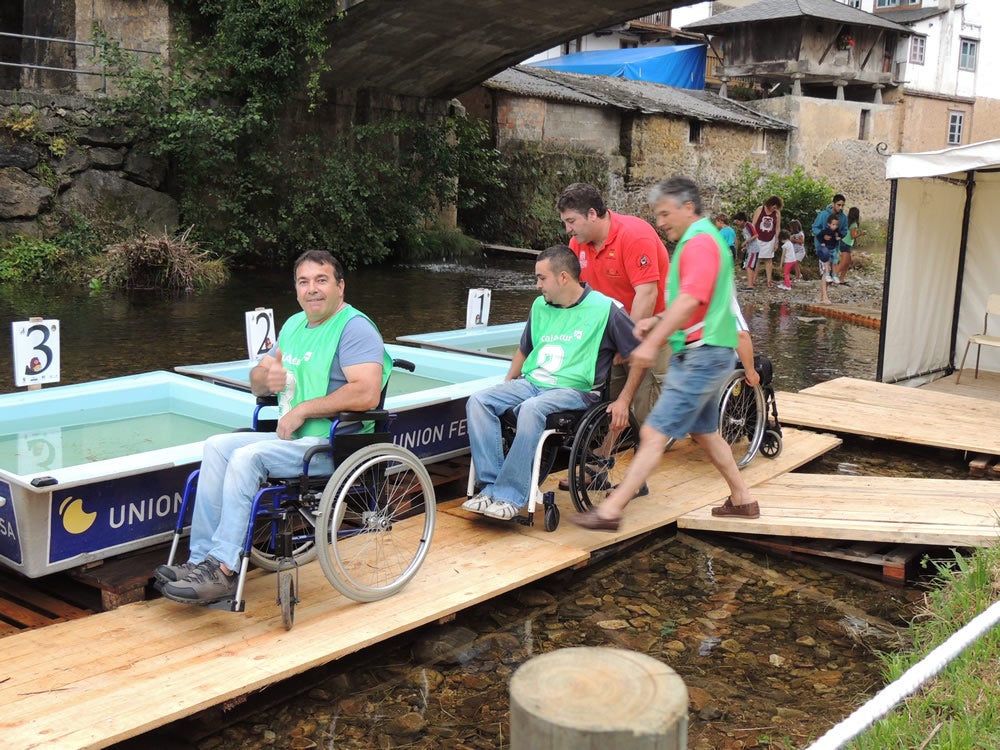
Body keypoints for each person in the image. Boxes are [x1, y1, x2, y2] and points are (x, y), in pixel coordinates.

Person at [155, 250, 392, 604]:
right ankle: (200, 560)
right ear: (296, 290)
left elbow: (366, 392)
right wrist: (267, 379)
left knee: (248, 457)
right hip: (292, 440)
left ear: (340, 287)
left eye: (321, 280)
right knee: (217, 445)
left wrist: (303, 411)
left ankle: (222, 569)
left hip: (332, 445)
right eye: (304, 282)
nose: (312, 289)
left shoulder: (355, 328)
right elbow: (256, 382)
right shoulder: (295, 325)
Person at [571, 176, 759, 532]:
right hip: (705, 352)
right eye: (657, 215)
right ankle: (742, 499)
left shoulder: (700, 243)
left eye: (664, 214)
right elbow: (695, 303)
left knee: (655, 432)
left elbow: (689, 302)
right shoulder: (699, 239)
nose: (660, 222)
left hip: (702, 356)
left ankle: (610, 510)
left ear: (688, 207)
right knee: (705, 432)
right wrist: (654, 320)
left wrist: (650, 343)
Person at [463, 244, 645, 521]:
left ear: (563, 277)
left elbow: (640, 356)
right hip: (533, 383)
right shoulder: (540, 307)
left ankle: (511, 495)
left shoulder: (605, 309)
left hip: (577, 391)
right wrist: (506, 384)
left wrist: (624, 400)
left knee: (532, 409)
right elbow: (525, 349)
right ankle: (491, 488)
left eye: (541, 278)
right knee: (479, 401)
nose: (537, 285)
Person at [557, 183, 670, 426]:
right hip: (611, 329)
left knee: (646, 412)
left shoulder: (634, 235)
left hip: (652, 329)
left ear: (591, 214)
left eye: (571, 221)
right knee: (608, 399)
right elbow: (576, 295)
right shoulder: (578, 244)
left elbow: (647, 294)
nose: (568, 229)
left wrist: (627, 343)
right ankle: (609, 445)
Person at [812, 193, 847, 283]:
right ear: (833, 204)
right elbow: (815, 227)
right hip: (822, 246)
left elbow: (844, 231)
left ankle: (822, 296)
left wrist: (840, 236)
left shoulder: (844, 218)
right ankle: (825, 296)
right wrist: (823, 235)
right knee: (825, 271)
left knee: (831, 271)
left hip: (834, 247)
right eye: (839, 205)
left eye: (842, 205)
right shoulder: (823, 215)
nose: (841, 207)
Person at [751, 196, 782, 288]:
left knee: (768, 259)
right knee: (757, 259)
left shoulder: (777, 213)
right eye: (773, 206)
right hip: (758, 237)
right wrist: (751, 237)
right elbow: (753, 224)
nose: (774, 208)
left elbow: (777, 228)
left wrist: (776, 241)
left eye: (776, 207)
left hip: (770, 238)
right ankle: (753, 280)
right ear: (769, 204)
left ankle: (769, 281)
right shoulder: (760, 209)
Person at [816, 215, 842, 305]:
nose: (835, 226)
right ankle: (825, 297)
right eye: (833, 224)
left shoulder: (836, 230)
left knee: (829, 274)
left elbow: (841, 234)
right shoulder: (824, 228)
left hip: (833, 252)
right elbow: (818, 234)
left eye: (836, 225)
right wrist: (823, 241)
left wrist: (839, 238)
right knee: (825, 273)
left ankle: (821, 295)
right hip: (824, 252)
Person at [836, 207, 864, 284]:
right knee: (843, 263)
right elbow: (853, 236)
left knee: (847, 262)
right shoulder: (854, 224)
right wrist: (861, 234)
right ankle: (833, 278)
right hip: (846, 243)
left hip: (843, 242)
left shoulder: (847, 221)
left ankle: (841, 279)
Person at [732, 211, 758, 290]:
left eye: (737, 221)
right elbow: (750, 238)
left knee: (749, 266)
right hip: (750, 249)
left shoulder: (748, 225)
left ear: (742, 220)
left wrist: (746, 242)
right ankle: (751, 283)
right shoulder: (744, 228)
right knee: (749, 266)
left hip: (754, 249)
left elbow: (756, 235)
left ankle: (750, 286)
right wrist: (745, 247)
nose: (736, 222)